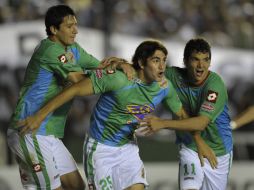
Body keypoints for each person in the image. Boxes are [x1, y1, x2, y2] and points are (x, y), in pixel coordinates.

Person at [17, 40, 209, 190]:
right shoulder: (119, 79)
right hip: (100, 150)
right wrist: (40, 115)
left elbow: (182, 116)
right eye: (156, 60)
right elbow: (73, 90)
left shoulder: (164, 87)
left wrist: (198, 141)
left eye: (164, 61)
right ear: (142, 62)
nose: (161, 66)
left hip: (127, 149)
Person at [7, 4, 132, 190]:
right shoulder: (50, 50)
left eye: (76, 24)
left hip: (48, 134)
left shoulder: (73, 49)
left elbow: (99, 67)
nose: (75, 30)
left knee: (76, 186)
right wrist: (109, 75)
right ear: (53, 29)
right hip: (30, 130)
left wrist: (120, 64)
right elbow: (79, 80)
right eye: (69, 26)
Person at [139, 38, 233, 190]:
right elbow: (144, 70)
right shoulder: (172, 76)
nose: (201, 65)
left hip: (217, 153)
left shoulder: (215, 85)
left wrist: (162, 123)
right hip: (189, 145)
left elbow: (201, 123)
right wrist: (122, 65)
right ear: (185, 61)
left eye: (205, 60)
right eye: (195, 59)